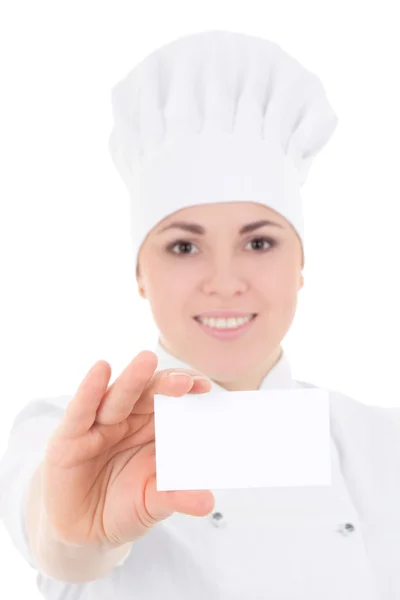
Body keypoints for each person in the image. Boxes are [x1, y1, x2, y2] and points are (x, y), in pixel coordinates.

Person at [1, 29, 400, 600]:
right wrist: (70, 532)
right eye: (184, 247)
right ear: (140, 272)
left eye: (259, 243)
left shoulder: (383, 444)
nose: (225, 282)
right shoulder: (69, 435)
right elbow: (50, 531)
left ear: (302, 263)